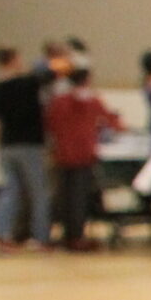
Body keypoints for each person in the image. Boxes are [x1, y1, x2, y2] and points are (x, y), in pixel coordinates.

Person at [45, 63, 118, 251]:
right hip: (83, 153)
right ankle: (76, 236)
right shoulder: (91, 101)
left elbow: (50, 124)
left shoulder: (59, 101)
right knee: (79, 197)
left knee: (64, 196)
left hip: (62, 153)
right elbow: (109, 119)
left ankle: (66, 233)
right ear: (87, 80)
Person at [0, 46, 53, 252]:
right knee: (39, 192)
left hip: (7, 145)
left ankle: (0, 234)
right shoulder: (28, 83)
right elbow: (52, 72)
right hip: (30, 145)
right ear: (14, 59)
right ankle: (40, 237)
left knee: (9, 191)